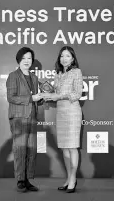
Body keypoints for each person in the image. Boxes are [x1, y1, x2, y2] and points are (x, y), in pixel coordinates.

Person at [41, 46, 83, 193]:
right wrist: (46, 95)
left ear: (72, 58)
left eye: (67, 56)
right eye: (62, 56)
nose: (64, 59)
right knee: (64, 147)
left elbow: (77, 94)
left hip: (72, 111)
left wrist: (58, 96)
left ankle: (73, 179)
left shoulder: (76, 72)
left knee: (72, 147)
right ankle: (68, 178)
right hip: (61, 112)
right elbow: (55, 94)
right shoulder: (58, 74)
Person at [6, 47, 42, 192]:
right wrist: (31, 98)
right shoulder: (13, 76)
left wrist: (41, 99)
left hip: (32, 116)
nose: (27, 61)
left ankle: (27, 179)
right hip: (19, 118)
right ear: (19, 60)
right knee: (20, 149)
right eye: (24, 58)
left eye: (29, 58)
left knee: (31, 149)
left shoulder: (34, 77)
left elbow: (34, 99)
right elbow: (11, 97)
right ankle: (20, 180)